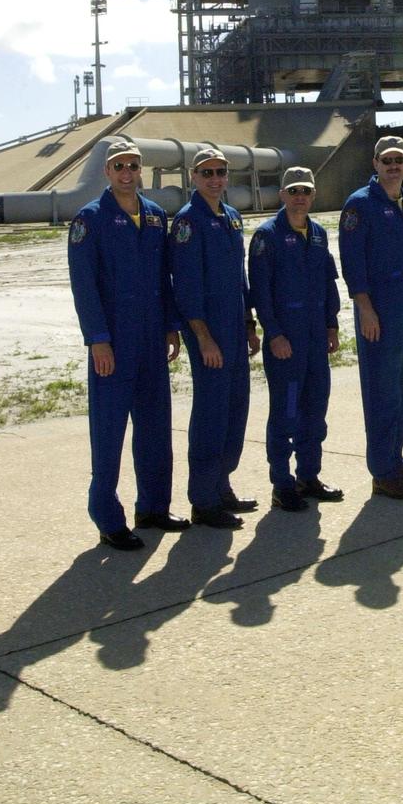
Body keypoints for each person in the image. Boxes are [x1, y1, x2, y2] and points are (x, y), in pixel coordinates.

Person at [68, 139, 188, 550]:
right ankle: (107, 518)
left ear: (141, 170)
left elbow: (164, 279)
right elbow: (84, 287)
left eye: (133, 166)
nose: (126, 173)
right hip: (114, 343)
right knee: (109, 432)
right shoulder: (90, 219)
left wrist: (171, 325)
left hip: (152, 338)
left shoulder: (155, 216)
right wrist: (98, 340)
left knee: (155, 427)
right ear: (107, 171)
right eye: (118, 166)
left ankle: (153, 507)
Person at [169, 147, 261, 528]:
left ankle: (222, 484)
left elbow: (239, 278)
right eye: (207, 173)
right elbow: (186, 287)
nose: (215, 179)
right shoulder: (189, 222)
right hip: (207, 331)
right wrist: (203, 338)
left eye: (221, 171)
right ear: (194, 177)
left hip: (234, 327)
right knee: (211, 412)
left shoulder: (232, 217)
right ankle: (203, 500)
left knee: (235, 408)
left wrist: (249, 323)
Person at [248, 166, 343, 512]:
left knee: (315, 410)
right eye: (293, 191)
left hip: (316, 338)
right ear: (282, 196)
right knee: (286, 413)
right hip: (286, 340)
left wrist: (332, 325)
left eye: (305, 190)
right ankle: (281, 483)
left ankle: (308, 476)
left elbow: (329, 282)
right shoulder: (267, 236)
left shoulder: (317, 234)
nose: (300, 196)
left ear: (313, 195)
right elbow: (260, 291)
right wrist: (273, 333)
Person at [338, 135, 403, 500]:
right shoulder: (360, 205)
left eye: (399, 159)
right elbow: (352, 261)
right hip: (378, 313)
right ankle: (381, 471)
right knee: (381, 392)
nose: (393, 166)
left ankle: (396, 457)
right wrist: (365, 308)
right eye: (386, 160)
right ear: (374, 164)